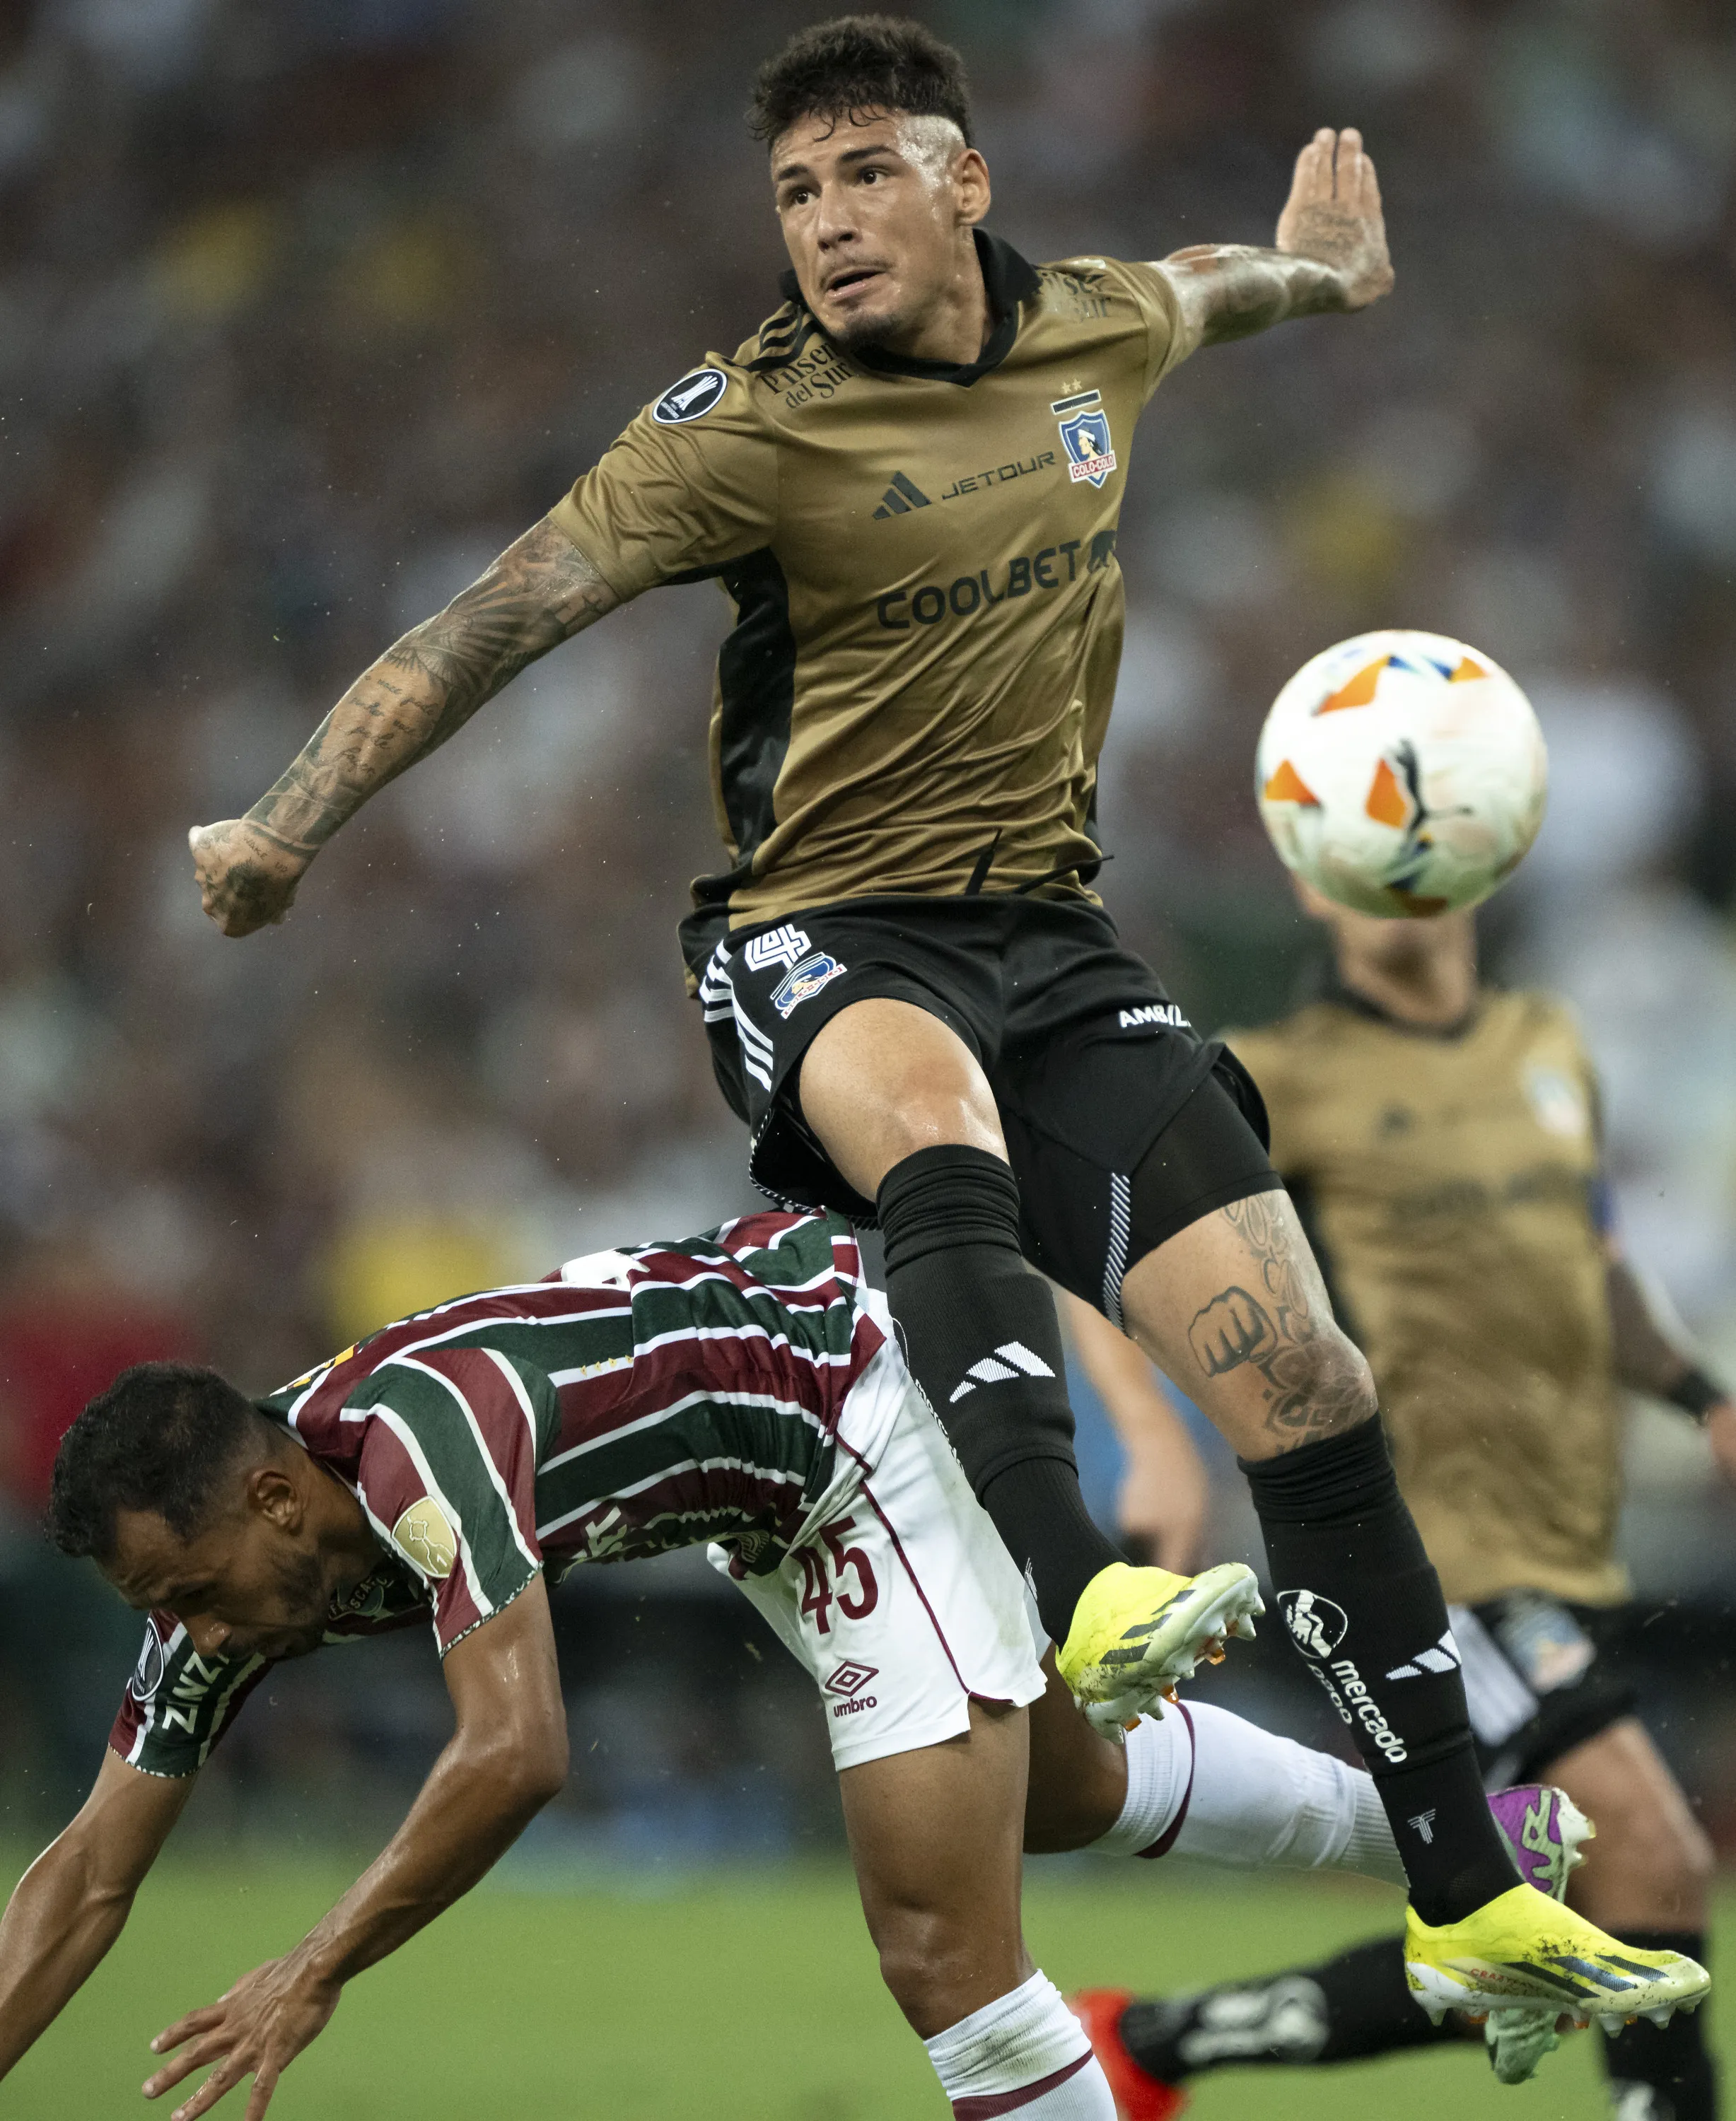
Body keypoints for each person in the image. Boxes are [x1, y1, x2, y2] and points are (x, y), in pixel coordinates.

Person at [180, 14, 1694, 2007]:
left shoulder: (1082, 333)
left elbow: (1197, 294)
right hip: (812, 940)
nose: (825, 223)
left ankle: (1461, 1884)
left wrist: (1322, 269)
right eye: (796, 191)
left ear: (961, 179)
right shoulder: (739, 422)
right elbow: (495, 615)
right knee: (934, 1124)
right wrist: (287, 825)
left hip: (1053, 949)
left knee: (1308, 1382)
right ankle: (1078, 1591)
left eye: (865, 174)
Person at [0, 1209, 1585, 2120]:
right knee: (1060, 1791)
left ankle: (1476, 1849)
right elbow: (81, 1881)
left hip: (848, 1404)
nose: (193, 1635)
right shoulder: (243, 1559)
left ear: (276, 1495)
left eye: (196, 1591)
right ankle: (1489, 1843)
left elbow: (516, 1750)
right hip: (763, 1484)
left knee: (935, 1942)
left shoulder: (420, 1447)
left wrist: (315, 1961)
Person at [1069, 885, 1732, 2118]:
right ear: (1308, 876)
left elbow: (1595, 1275)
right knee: (1652, 1854)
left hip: (1562, 1546)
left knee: (1547, 1925)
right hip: (1426, 1550)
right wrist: (1151, 1434)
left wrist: (1702, 1397)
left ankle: (1155, 2040)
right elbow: (1091, 1234)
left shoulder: (1545, 1045)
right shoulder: (1277, 1071)